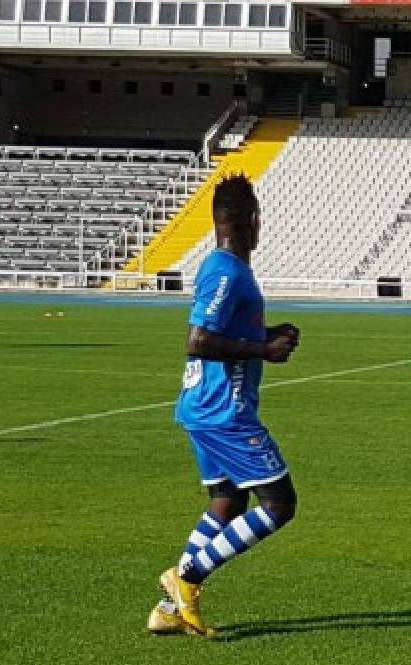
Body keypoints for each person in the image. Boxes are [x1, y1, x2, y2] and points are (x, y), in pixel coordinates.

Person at [149, 174, 301, 639]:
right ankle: (188, 578)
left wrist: (266, 334)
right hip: (223, 411)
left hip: (205, 407)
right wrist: (263, 351)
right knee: (279, 503)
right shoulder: (226, 270)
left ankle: (168, 610)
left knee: (228, 500)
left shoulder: (229, 268)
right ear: (250, 219)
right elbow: (197, 342)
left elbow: (222, 331)